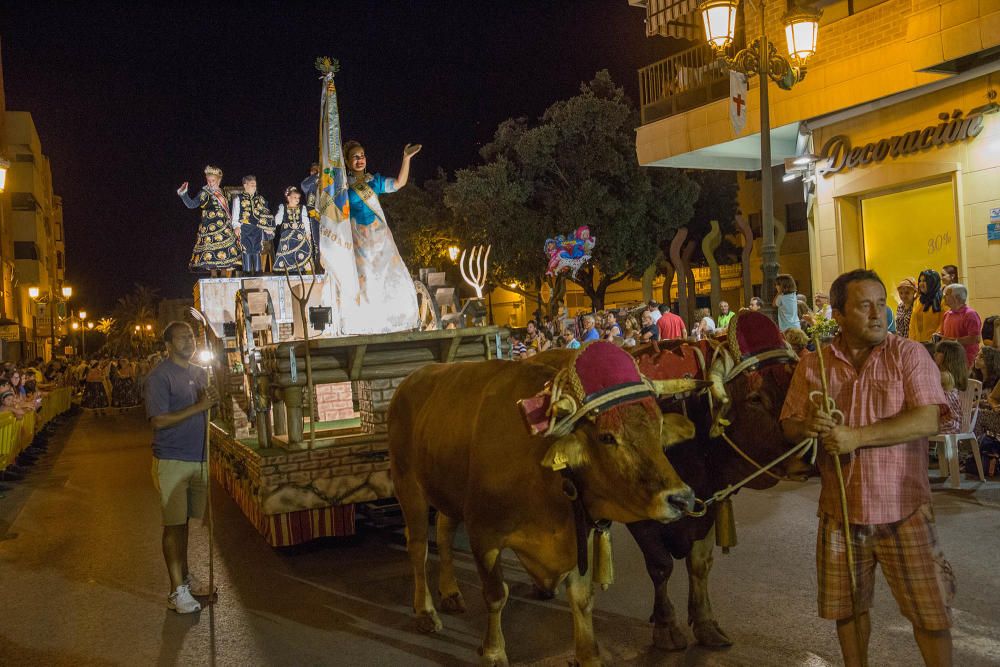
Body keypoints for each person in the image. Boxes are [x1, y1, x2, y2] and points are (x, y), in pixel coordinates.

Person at [780, 269, 954, 667]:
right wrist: (807, 425)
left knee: (930, 614)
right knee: (849, 610)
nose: (878, 314)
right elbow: (788, 423)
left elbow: (927, 419)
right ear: (838, 315)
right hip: (840, 510)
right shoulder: (814, 363)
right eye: (864, 306)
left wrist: (855, 436)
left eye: (881, 304)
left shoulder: (908, 354)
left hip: (904, 510)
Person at [145, 322, 219, 614]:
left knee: (186, 522)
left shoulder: (199, 373)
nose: (189, 341)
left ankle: (185, 578)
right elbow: (158, 421)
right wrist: (199, 407)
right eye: (182, 337)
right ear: (168, 343)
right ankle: (176, 591)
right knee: (173, 526)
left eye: (191, 336)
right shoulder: (159, 377)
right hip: (172, 460)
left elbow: (209, 407)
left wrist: (213, 398)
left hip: (198, 457)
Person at [341, 139, 421, 334]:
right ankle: (365, 323)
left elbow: (399, 183)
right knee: (365, 280)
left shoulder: (374, 182)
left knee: (389, 277)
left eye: (362, 156)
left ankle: (395, 319)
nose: (360, 160)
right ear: (347, 161)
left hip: (380, 238)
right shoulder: (343, 186)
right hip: (358, 239)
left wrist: (406, 158)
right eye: (355, 157)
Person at [177, 166, 240, 277]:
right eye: (208, 181)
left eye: (213, 181)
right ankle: (213, 275)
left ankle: (224, 275)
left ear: (219, 180)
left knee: (225, 250)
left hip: (224, 226)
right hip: (209, 226)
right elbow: (191, 205)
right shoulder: (204, 192)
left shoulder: (225, 193)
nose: (210, 183)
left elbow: (232, 209)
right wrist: (184, 194)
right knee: (210, 253)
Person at [230, 175, 275, 276]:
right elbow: (235, 214)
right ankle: (247, 272)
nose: (254, 187)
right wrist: (236, 226)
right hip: (245, 228)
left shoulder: (260, 199)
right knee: (246, 249)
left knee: (257, 249)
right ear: (245, 185)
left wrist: (268, 228)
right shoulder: (238, 199)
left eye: (255, 185)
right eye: (252, 185)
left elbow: (266, 214)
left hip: (257, 228)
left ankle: (258, 271)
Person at [939, 283, 981, 369]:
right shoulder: (947, 314)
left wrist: (953, 341)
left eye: (947, 295)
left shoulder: (970, 314)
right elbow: (944, 335)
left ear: (957, 298)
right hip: (949, 359)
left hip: (964, 360)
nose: (944, 297)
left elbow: (975, 338)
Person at [273, 186, 313, 272]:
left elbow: (306, 221)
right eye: (295, 197)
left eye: (298, 198)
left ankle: (301, 269)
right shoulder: (283, 207)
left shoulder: (302, 208)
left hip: (300, 236)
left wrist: (308, 232)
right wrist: (271, 227)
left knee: (300, 253)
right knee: (288, 252)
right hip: (287, 236)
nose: (297, 199)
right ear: (288, 197)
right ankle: (289, 270)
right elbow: (278, 219)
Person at [934, 340, 968, 434]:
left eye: (938, 352)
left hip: (948, 423)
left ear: (948, 357)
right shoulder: (948, 374)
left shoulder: (944, 376)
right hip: (950, 422)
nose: (935, 354)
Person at [908, 269, 948, 343]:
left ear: (933, 282)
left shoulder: (942, 300)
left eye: (925, 281)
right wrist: (911, 342)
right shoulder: (918, 300)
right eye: (920, 281)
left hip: (934, 346)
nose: (921, 284)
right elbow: (912, 325)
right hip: (918, 345)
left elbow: (944, 323)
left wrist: (933, 341)